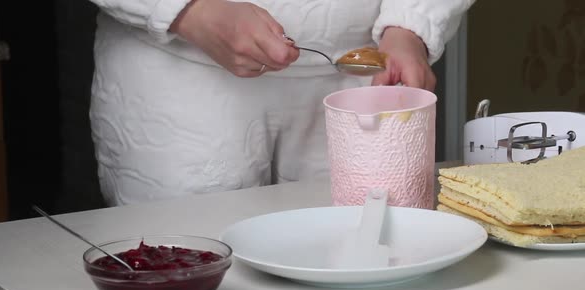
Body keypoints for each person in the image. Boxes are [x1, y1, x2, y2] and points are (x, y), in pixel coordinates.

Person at [87, 0, 476, 206]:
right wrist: (190, 10)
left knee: (365, 263)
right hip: (178, 74)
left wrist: (411, 27)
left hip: (360, 75)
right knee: (188, 260)